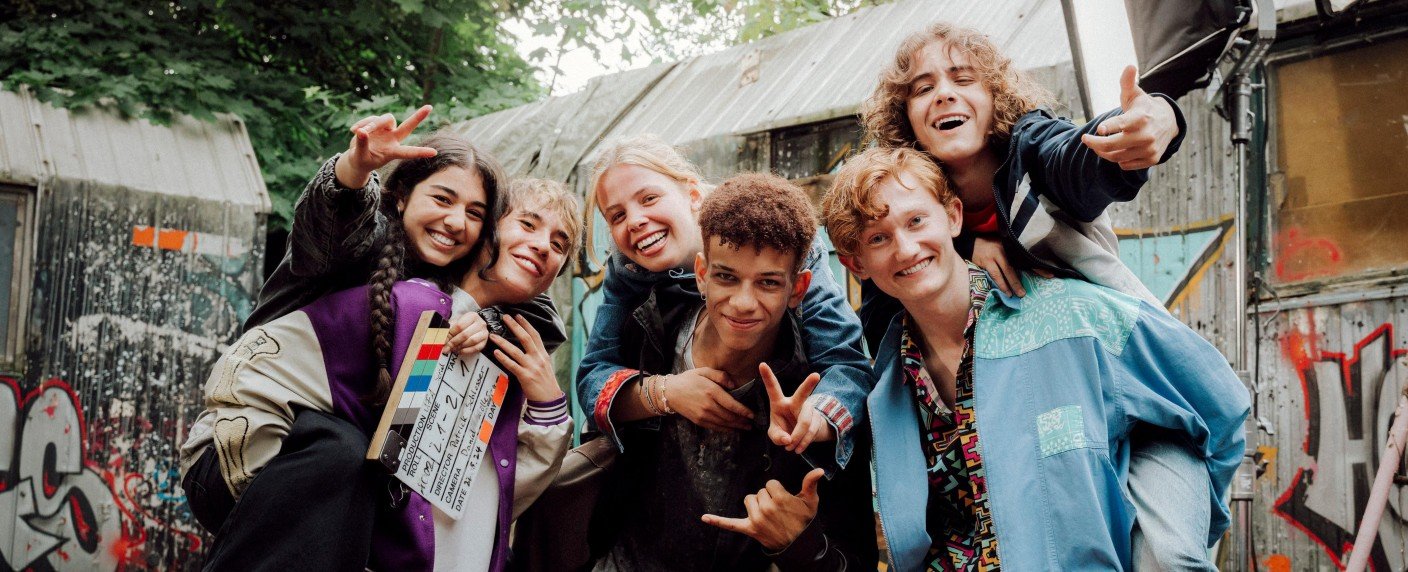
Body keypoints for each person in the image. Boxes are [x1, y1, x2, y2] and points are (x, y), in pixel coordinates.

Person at [862, 23, 1219, 570]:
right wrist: (965, 251)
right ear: (904, 116)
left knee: (1168, 558)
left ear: (995, 97)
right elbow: (886, 314)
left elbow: (1082, 160)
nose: (945, 93)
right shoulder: (914, 215)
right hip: (1056, 421)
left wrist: (1155, 123)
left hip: (1138, 402)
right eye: (922, 87)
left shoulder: (1032, 151)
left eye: (964, 78)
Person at [819, 147, 1248, 571]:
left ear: (952, 216)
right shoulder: (889, 385)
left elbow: (1218, 403)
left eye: (916, 221)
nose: (906, 247)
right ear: (856, 263)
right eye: (879, 238)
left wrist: (1179, 536)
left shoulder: (1072, 315)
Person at [179, 178, 584, 572]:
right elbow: (399, 464)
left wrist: (547, 405)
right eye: (528, 224)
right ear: (485, 230)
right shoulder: (406, 303)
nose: (543, 245)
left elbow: (494, 492)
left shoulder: (516, 355)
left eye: (559, 244)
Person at [590, 173, 877, 571]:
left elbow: (852, 559)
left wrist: (796, 543)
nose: (743, 303)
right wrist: (662, 393)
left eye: (768, 283)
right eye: (726, 277)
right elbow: (592, 388)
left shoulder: (817, 401)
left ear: (798, 289)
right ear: (702, 274)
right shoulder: (645, 331)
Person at [577, 135, 871, 468]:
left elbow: (845, 364)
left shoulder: (782, 238)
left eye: (649, 198)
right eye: (616, 216)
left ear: (692, 194)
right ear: (702, 274)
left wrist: (814, 418)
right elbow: (592, 379)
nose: (634, 220)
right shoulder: (629, 270)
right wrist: (667, 392)